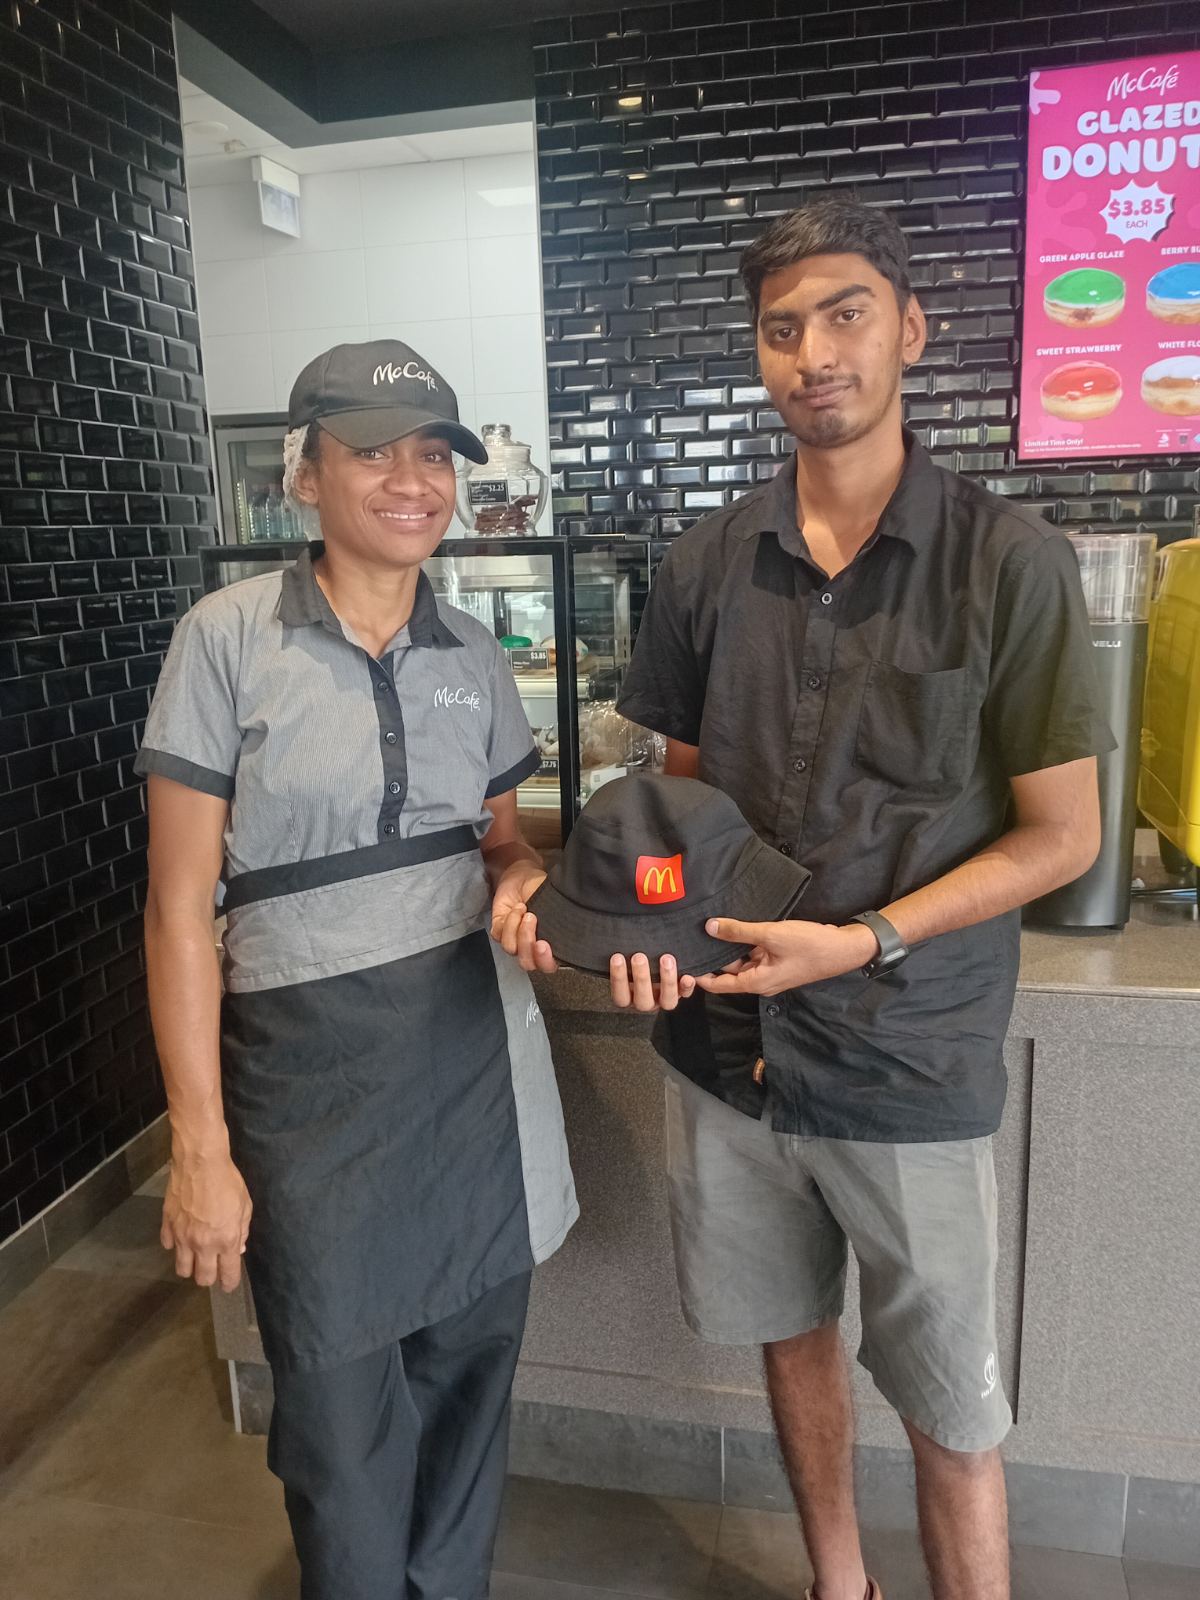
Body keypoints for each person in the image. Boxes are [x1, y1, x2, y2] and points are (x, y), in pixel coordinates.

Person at [499, 199, 1114, 1600]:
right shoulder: (707, 563)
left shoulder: (1008, 561)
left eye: (845, 314)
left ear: (911, 329)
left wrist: (868, 936)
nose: (814, 352)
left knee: (951, 1404)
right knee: (789, 1336)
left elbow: (1063, 835)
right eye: (783, 328)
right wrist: (649, 935)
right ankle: (842, 1584)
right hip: (729, 1047)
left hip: (905, 1051)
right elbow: (680, 811)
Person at [137, 340, 576, 1600]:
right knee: (337, 1421)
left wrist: (522, 880)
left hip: (470, 1067)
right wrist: (201, 1147)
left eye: (434, 453)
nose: (412, 481)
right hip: (304, 1085)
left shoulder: (475, 654)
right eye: (375, 452)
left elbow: (502, 845)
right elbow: (177, 913)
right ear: (305, 476)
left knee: (471, 1375)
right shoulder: (227, 639)